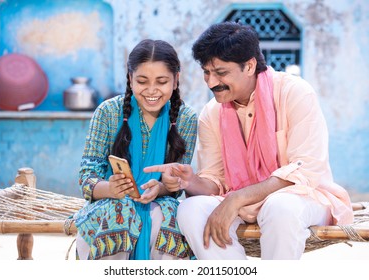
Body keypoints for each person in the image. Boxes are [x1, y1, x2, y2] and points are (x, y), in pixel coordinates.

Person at [144, 22, 353, 260]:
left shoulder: (294, 93)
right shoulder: (212, 113)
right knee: (191, 210)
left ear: (250, 65)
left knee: (280, 206)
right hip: (241, 203)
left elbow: (305, 170)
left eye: (221, 72)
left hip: (305, 198)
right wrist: (189, 180)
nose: (211, 82)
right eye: (206, 72)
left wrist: (238, 197)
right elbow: (216, 181)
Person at [72, 39, 198, 260]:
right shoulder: (109, 112)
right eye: (142, 81)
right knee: (119, 211)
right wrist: (110, 189)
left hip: (159, 204)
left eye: (161, 81)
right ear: (130, 79)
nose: (151, 91)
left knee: (169, 217)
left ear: (176, 80)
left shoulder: (186, 119)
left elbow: (177, 186)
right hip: (110, 203)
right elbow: (86, 177)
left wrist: (160, 187)